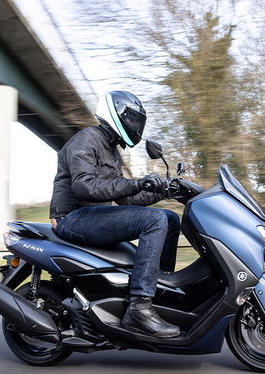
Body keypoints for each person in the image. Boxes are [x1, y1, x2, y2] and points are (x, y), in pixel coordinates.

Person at [49, 90, 181, 338]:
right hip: (73, 217)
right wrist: (138, 183)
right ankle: (139, 308)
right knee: (155, 220)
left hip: (95, 215)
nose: (135, 126)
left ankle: (160, 287)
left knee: (170, 218)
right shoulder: (87, 138)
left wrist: (164, 190)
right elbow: (84, 185)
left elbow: (125, 197)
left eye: (137, 122)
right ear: (116, 114)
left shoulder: (111, 150)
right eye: (131, 119)